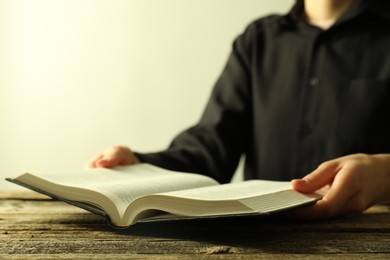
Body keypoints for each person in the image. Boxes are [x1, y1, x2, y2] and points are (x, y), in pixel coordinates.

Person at [88, 0, 390, 219]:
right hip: (261, 242)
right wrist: (139, 163)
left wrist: (384, 174)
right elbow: (210, 150)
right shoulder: (258, 40)